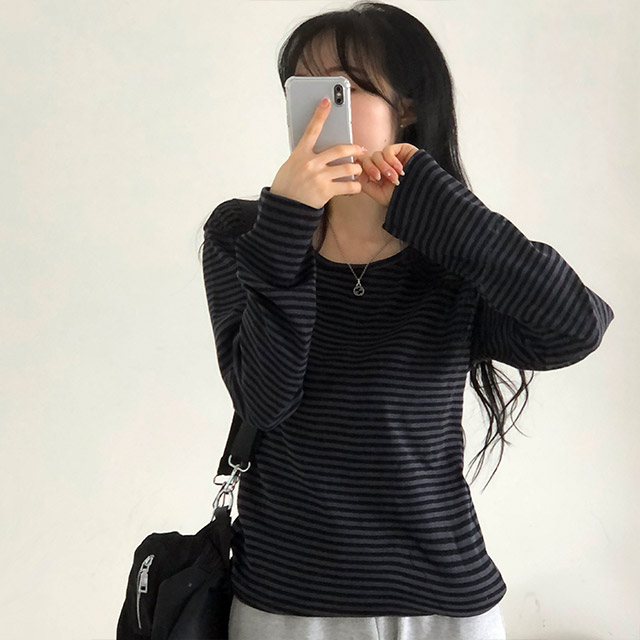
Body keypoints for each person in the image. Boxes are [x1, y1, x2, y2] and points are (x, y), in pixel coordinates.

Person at [199, 2, 615, 639]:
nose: (318, 111)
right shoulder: (246, 235)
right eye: (302, 89)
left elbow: (575, 327)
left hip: (443, 605)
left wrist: (436, 204)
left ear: (409, 107)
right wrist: (286, 224)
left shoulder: (450, 251)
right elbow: (265, 400)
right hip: (286, 603)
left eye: (344, 89)